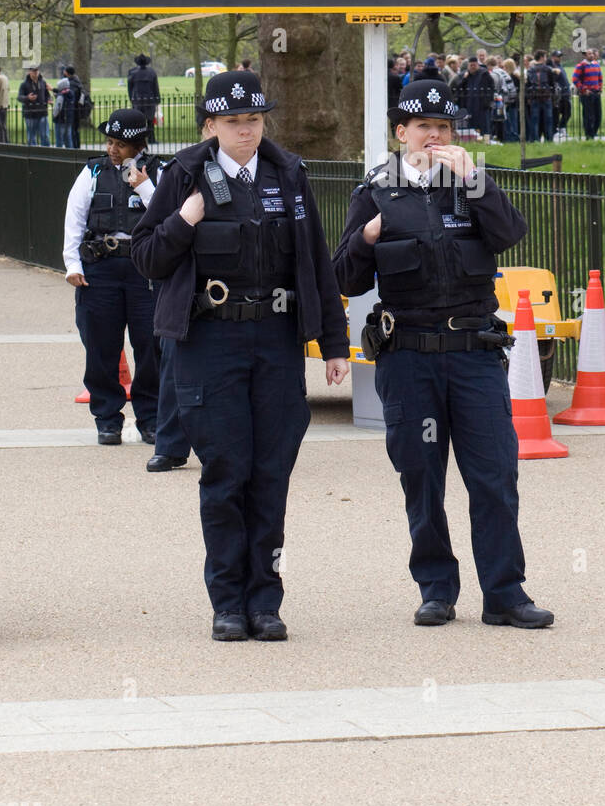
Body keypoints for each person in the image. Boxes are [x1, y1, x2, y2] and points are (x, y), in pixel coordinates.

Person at [130, 70, 349, 642]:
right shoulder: (181, 174)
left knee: (271, 476)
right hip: (210, 344)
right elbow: (147, 258)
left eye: (253, 119)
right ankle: (227, 602)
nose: (245, 131)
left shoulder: (288, 173)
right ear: (211, 125)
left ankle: (266, 603)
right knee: (226, 475)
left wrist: (333, 344)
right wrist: (186, 219)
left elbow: (316, 262)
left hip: (275, 342)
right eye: (233, 121)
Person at [333, 78, 553, 630]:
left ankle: (505, 593)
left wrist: (475, 181)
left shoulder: (470, 184)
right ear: (401, 132)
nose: (435, 136)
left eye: (445, 128)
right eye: (424, 127)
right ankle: (436, 589)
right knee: (421, 476)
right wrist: (367, 237)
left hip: (474, 352)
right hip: (408, 357)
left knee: (495, 475)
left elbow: (511, 234)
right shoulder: (375, 191)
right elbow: (344, 276)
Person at [63, 108, 162, 444]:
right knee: (101, 346)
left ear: (138, 145)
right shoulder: (92, 171)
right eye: (109, 142)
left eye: (120, 144)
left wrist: (146, 187)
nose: (112, 149)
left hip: (144, 271)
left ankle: (151, 417)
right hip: (100, 270)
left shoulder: (159, 171)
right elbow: (74, 219)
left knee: (151, 346)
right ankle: (107, 417)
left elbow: (170, 215)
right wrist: (73, 265)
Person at [454, 56, 494, 138]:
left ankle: (485, 139)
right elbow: (458, 87)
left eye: (474, 65)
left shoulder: (484, 74)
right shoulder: (465, 75)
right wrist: (464, 79)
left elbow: (491, 87)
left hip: (481, 103)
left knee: (483, 124)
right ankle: (472, 139)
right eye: (471, 65)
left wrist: (488, 101)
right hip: (469, 103)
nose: (472, 67)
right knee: (470, 123)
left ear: (477, 65)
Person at [572, 49, 603, 139]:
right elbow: (575, 79)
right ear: (585, 55)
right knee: (589, 116)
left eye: (592, 54)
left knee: (598, 115)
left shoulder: (596, 64)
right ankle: (589, 135)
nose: (592, 55)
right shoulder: (581, 66)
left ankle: (594, 132)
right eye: (589, 54)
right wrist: (583, 89)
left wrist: (600, 88)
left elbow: (600, 78)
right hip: (587, 94)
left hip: (596, 92)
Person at [18, 64, 52, 145]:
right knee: (31, 137)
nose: (36, 72)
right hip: (30, 114)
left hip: (43, 113)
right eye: (33, 71)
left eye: (37, 70)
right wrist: (27, 98)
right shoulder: (24, 84)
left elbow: (47, 94)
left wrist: (49, 99)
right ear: (29, 72)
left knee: (45, 135)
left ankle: (46, 154)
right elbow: (19, 97)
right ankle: (33, 154)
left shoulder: (43, 82)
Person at [526, 50, 555, 142]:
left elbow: (528, 83)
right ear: (542, 57)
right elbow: (552, 83)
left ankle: (535, 138)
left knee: (534, 120)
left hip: (535, 96)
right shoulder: (548, 69)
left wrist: (529, 97)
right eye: (545, 56)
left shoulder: (530, 70)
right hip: (546, 96)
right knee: (548, 120)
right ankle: (549, 139)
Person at [127, 53, 160, 132]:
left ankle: (139, 138)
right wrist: (157, 99)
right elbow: (155, 87)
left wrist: (131, 98)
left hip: (137, 99)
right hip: (150, 99)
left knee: (138, 120)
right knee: (150, 120)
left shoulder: (132, 73)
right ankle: (151, 138)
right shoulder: (151, 72)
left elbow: (130, 88)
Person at [549, 50, 572, 139]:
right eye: (558, 56)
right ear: (553, 57)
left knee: (567, 112)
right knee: (557, 113)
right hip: (559, 94)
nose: (559, 58)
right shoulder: (552, 67)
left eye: (560, 56)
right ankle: (556, 130)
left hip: (566, 92)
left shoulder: (560, 66)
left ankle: (562, 127)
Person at [0, 61, 9, 142]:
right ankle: (6, 144)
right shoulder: (5, 78)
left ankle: (1, 146)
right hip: (4, 106)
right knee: (3, 127)